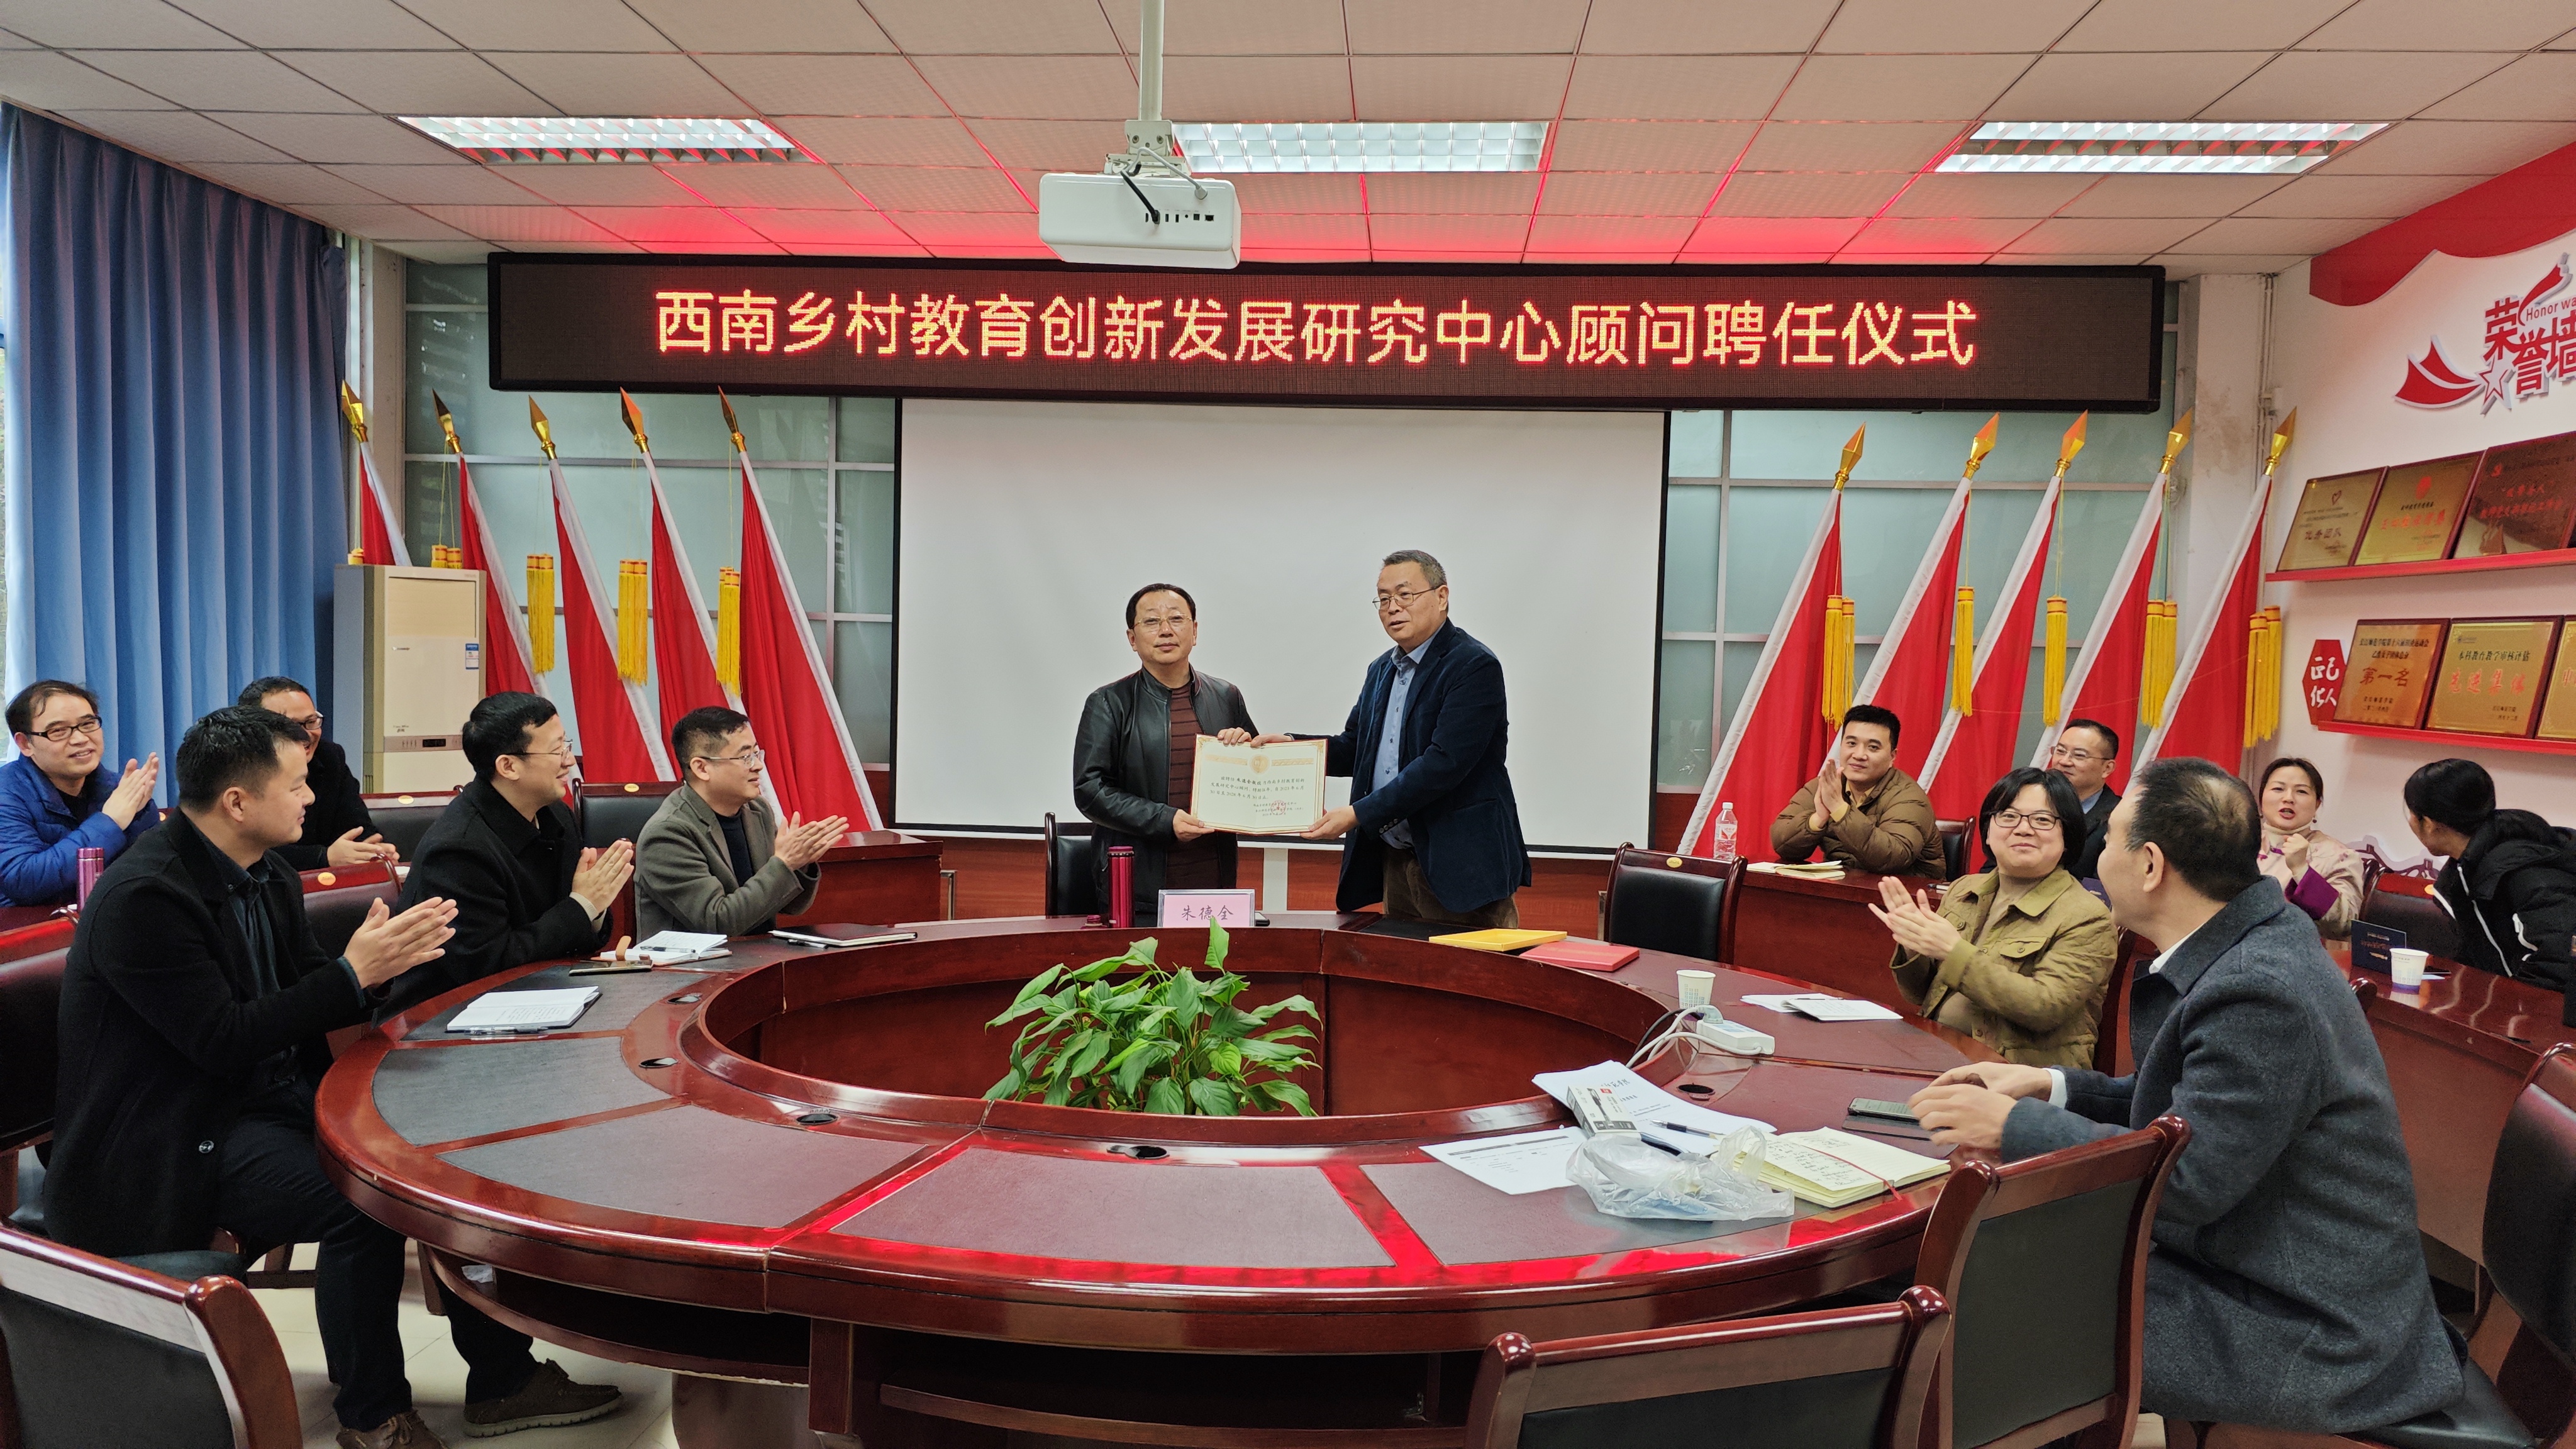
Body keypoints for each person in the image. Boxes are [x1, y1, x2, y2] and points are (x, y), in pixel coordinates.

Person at [44, 706, 620, 1448]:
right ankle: (373, 1417)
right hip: (169, 1140)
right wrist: (355, 973)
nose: (311, 798)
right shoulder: (146, 897)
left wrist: (379, 970)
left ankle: (503, 1381)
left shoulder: (265, 871)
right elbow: (222, 1041)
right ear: (238, 802)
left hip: (256, 1103)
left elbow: (316, 989)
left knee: (436, 1166)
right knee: (365, 1204)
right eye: (295, 785)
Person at [1908, 757, 2465, 1434]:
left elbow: (2188, 1176)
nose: (2097, 855)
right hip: (2247, 1271)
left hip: (2305, 1326)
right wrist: (2052, 1087)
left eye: (2109, 839)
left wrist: (2014, 1126)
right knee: (2004, 1268)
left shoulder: (2260, 989)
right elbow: (2184, 1109)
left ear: (2150, 865)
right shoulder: (2253, 944)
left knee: (1983, 1305)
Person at [1254, 550, 1530, 927]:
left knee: (1464, 966)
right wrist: (1294, 748)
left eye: (1405, 595)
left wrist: (1357, 814)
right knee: (1401, 964)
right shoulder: (1382, 668)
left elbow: (1443, 764)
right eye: (1383, 599)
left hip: (1461, 866)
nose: (1392, 608)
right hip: (1396, 863)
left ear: (1442, 597)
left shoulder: (1473, 665)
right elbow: (1356, 747)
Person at [388, 692, 630, 1014]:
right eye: (557, 750)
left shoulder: (556, 816)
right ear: (509, 766)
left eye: (566, 746)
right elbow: (488, 965)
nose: (569, 761)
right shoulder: (458, 849)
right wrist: (583, 906)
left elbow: (573, 934)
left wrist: (593, 909)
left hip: (543, 997)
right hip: (446, 1016)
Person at [1874, 766, 2117, 1068]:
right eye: (2009, 816)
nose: (2023, 829)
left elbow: (2045, 1008)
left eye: (2042, 820)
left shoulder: (2088, 916)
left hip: (2019, 1074)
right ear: (1988, 831)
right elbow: (1919, 995)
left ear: (2068, 835)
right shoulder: (1963, 889)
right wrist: (1915, 946)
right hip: (1938, 1051)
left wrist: (1952, 951)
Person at [1072, 583, 1258, 921]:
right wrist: (1164, 820)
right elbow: (1090, 790)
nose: (1166, 630)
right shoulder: (1109, 703)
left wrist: (1245, 750)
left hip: (1213, 882)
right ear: (1132, 639)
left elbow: (1257, 776)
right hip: (1138, 889)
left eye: (1176, 619)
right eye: (1151, 621)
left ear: (1195, 631)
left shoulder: (1226, 696)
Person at [636, 707, 847, 937]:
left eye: (757, 754)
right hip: (697, 959)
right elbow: (718, 922)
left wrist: (801, 862)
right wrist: (785, 863)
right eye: (746, 757)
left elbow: (787, 905)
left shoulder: (757, 811)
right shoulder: (668, 834)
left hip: (757, 954)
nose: (758, 765)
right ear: (702, 768)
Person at [2406, 758, 2576, 994]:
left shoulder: (2526, 871)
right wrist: (2425, 978)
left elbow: (2557, 969)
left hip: (2544, 1011)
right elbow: (2477, 958)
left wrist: (2504, 1009)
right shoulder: (2462, 873)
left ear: (2429, 823)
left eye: (2411, 814)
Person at [0, 679, 160, 906]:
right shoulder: (6, 792)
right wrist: (111, 821)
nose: (80, 739)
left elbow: (154, 868)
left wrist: (142, 815)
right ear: (25, 744)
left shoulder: (119, 788)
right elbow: (22, 880)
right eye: (58, 731)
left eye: (88, 724)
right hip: (30, 925)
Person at [239, 674, 396, 872]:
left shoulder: (330, 757)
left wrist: (371, 851)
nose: (306, 735)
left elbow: (357, 827)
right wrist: (323, 857)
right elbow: (243, 848)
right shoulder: (238, 769)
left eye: (311, 722)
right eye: (290, 726)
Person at [1770, 704, 1945, 879]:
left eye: (1873, 747)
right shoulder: (1827, 786)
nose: (1859, 755)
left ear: (1892, 756)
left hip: (1906, 893)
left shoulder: (1909, 797)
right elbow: (1782, 844)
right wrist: (1818, 819)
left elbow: (1892, 858)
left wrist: (1840, 809)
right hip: (1842, 888)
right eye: (1852, 744)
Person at [2257, 756, 2365, 938]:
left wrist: (2302, 870)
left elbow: (2345, 923)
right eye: (2278, 789)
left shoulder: (2339, 856)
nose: (2288, 798)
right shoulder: (2239, 844)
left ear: (2317, 805)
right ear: (2261, 798)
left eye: (2301, 791)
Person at [2047, 718, 2122, 880]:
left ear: (2107, 768)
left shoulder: (2120, 819)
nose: (2064, 761)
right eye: (2060, 751)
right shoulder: (2030, 803)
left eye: (2079, 755)